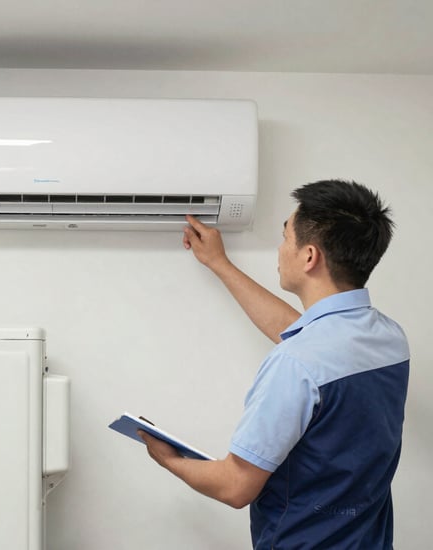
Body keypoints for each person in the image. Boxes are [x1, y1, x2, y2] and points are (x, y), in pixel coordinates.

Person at [139, 179, 409, 549]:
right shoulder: (390, 339)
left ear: (309, 256)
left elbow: (235, 487)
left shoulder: (296, 365)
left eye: (285, 238)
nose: (280, 250)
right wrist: (220, 264)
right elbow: (299, 333)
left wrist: (168, 458)